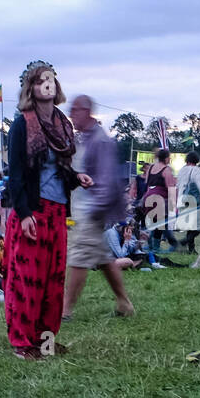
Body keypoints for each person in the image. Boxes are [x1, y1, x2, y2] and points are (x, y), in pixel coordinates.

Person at [4, 61, 92, 359]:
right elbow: (15, 173)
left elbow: (62, 170)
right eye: (42, 79)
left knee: (53, 281)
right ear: (31, 86)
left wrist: (77, 178)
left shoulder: (62, 125)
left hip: (57, 212)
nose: (48, 84)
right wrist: (25, 212)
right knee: (28, 279)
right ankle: (21, 342)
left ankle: (45, 341)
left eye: (52, 79)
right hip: (32, 210)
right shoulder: (22, 124)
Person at [63, 95, 137, 320]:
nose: (72, 115)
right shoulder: (85, 138)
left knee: (78, 258)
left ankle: (65, 310)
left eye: (75, 111)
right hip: (85, 207)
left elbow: (105, 179)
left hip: (90, 209)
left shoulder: (100, 140)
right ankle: (124, 303)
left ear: (86, 111)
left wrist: (94, 210)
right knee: (103, 258)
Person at [142, 148, 179, 253]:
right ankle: (156, 247)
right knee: (161, 224)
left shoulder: (151, 168)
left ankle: (151, 245)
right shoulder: (166, 170)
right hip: (159, 199)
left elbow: (147, 183)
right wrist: (173, 205)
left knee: (153, 223)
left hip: (148, 197)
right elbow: (170, 188)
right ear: (167, 158)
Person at [175, 152, 200, 252]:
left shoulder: (181, 171)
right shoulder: (197, 170)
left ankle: (191, 249)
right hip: (195, 200)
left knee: (191, 226)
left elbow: (178, 186)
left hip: (183, 200)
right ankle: (184, 242)